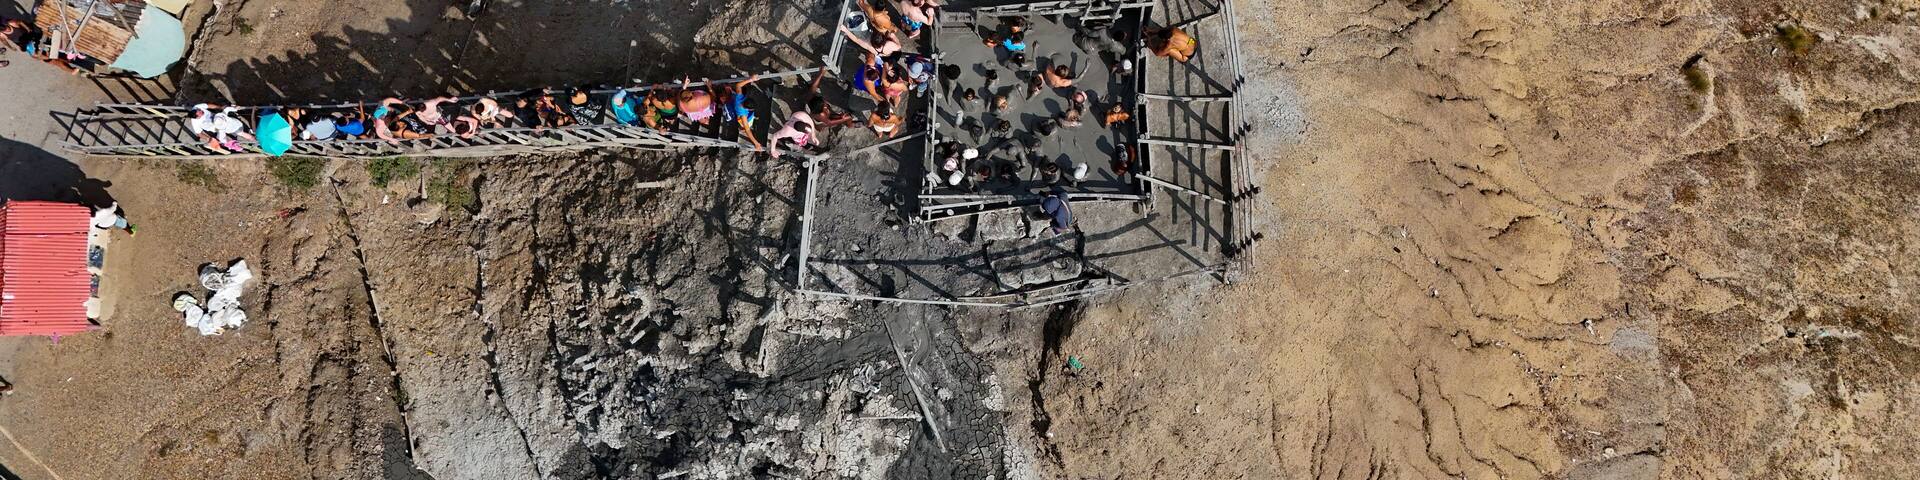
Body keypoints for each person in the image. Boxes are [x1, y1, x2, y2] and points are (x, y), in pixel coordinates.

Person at [717, 74, 763, 151]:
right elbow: (747, 130)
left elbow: (738, 85)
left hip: (734, 105)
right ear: (747, 108)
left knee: (745, 125)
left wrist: (751, 79)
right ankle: (741, 128)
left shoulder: (740, 97)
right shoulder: (743, 115)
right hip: (740, 117)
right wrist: (756, 143)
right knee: (745, 126)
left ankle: (742, 127)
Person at [189, 104, 255, 151]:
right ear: (197, 117)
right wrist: (209, 138)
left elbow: (209, 105)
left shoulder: (197, 107)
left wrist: (220, 107)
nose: (201, 111)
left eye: (200, 110)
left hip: (226, 124)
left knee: (234, 135)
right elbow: (199, 133)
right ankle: (252, 139)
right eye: (200, 113)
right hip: (219, 127)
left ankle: (248, 141)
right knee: (238, 134)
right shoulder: (195, 123)